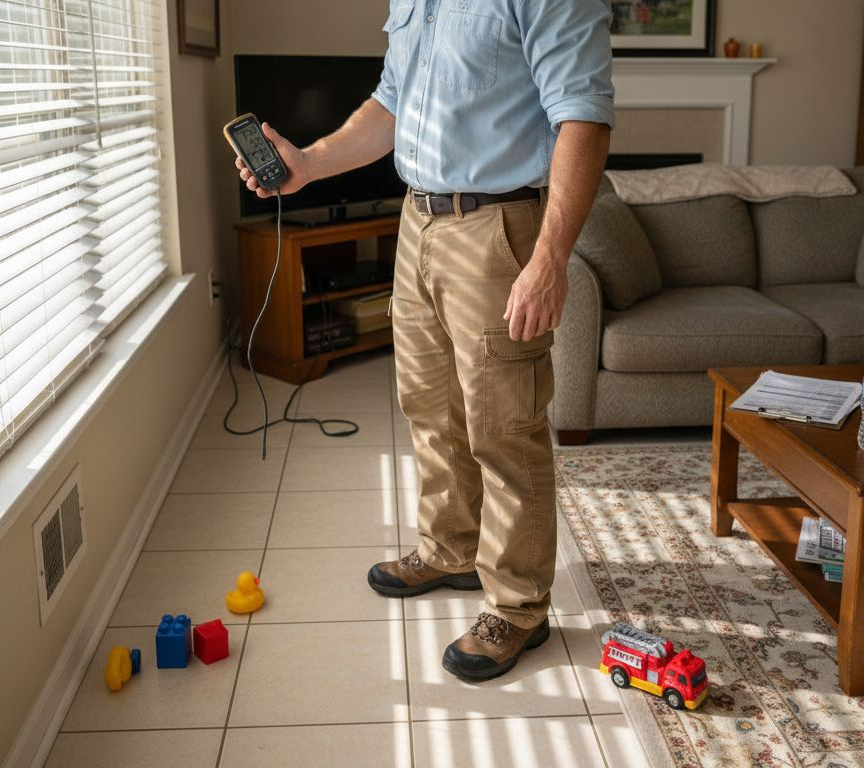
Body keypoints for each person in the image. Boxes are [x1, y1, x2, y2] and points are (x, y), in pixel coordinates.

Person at [237, 0, 614, 681]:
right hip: (419, 221)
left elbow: (582, 117)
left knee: (504, 426)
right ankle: (451, 550)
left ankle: (520, 605)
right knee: (429, 407)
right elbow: (390, 101)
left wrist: (551, 258)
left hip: (498, 229)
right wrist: (309, 164)